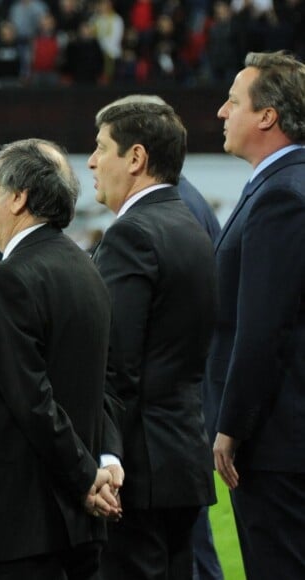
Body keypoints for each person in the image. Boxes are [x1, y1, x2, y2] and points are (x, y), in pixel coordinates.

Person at [0, 138, 120, 580]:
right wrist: (100, 464)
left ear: (19, 198)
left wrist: (85, 479)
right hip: (71, 519)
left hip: (20, 517)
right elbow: (98, 383)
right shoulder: (85, 269)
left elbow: (31, 398)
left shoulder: (10, 278)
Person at [89, 100, 218, 579]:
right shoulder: (191, 227)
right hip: (183, 459)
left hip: (139, 473)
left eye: (101, 148)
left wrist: (106, 455)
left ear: (136, 158)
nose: (92, 161)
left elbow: (115, 363)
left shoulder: (132, 236)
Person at [205, 51, 305, 579]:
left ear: (267, 116)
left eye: (233, 101)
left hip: (277, 442)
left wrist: (231, 426)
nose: (222, 112)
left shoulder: (281, 195)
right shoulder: (284, 185)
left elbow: (262, 328)